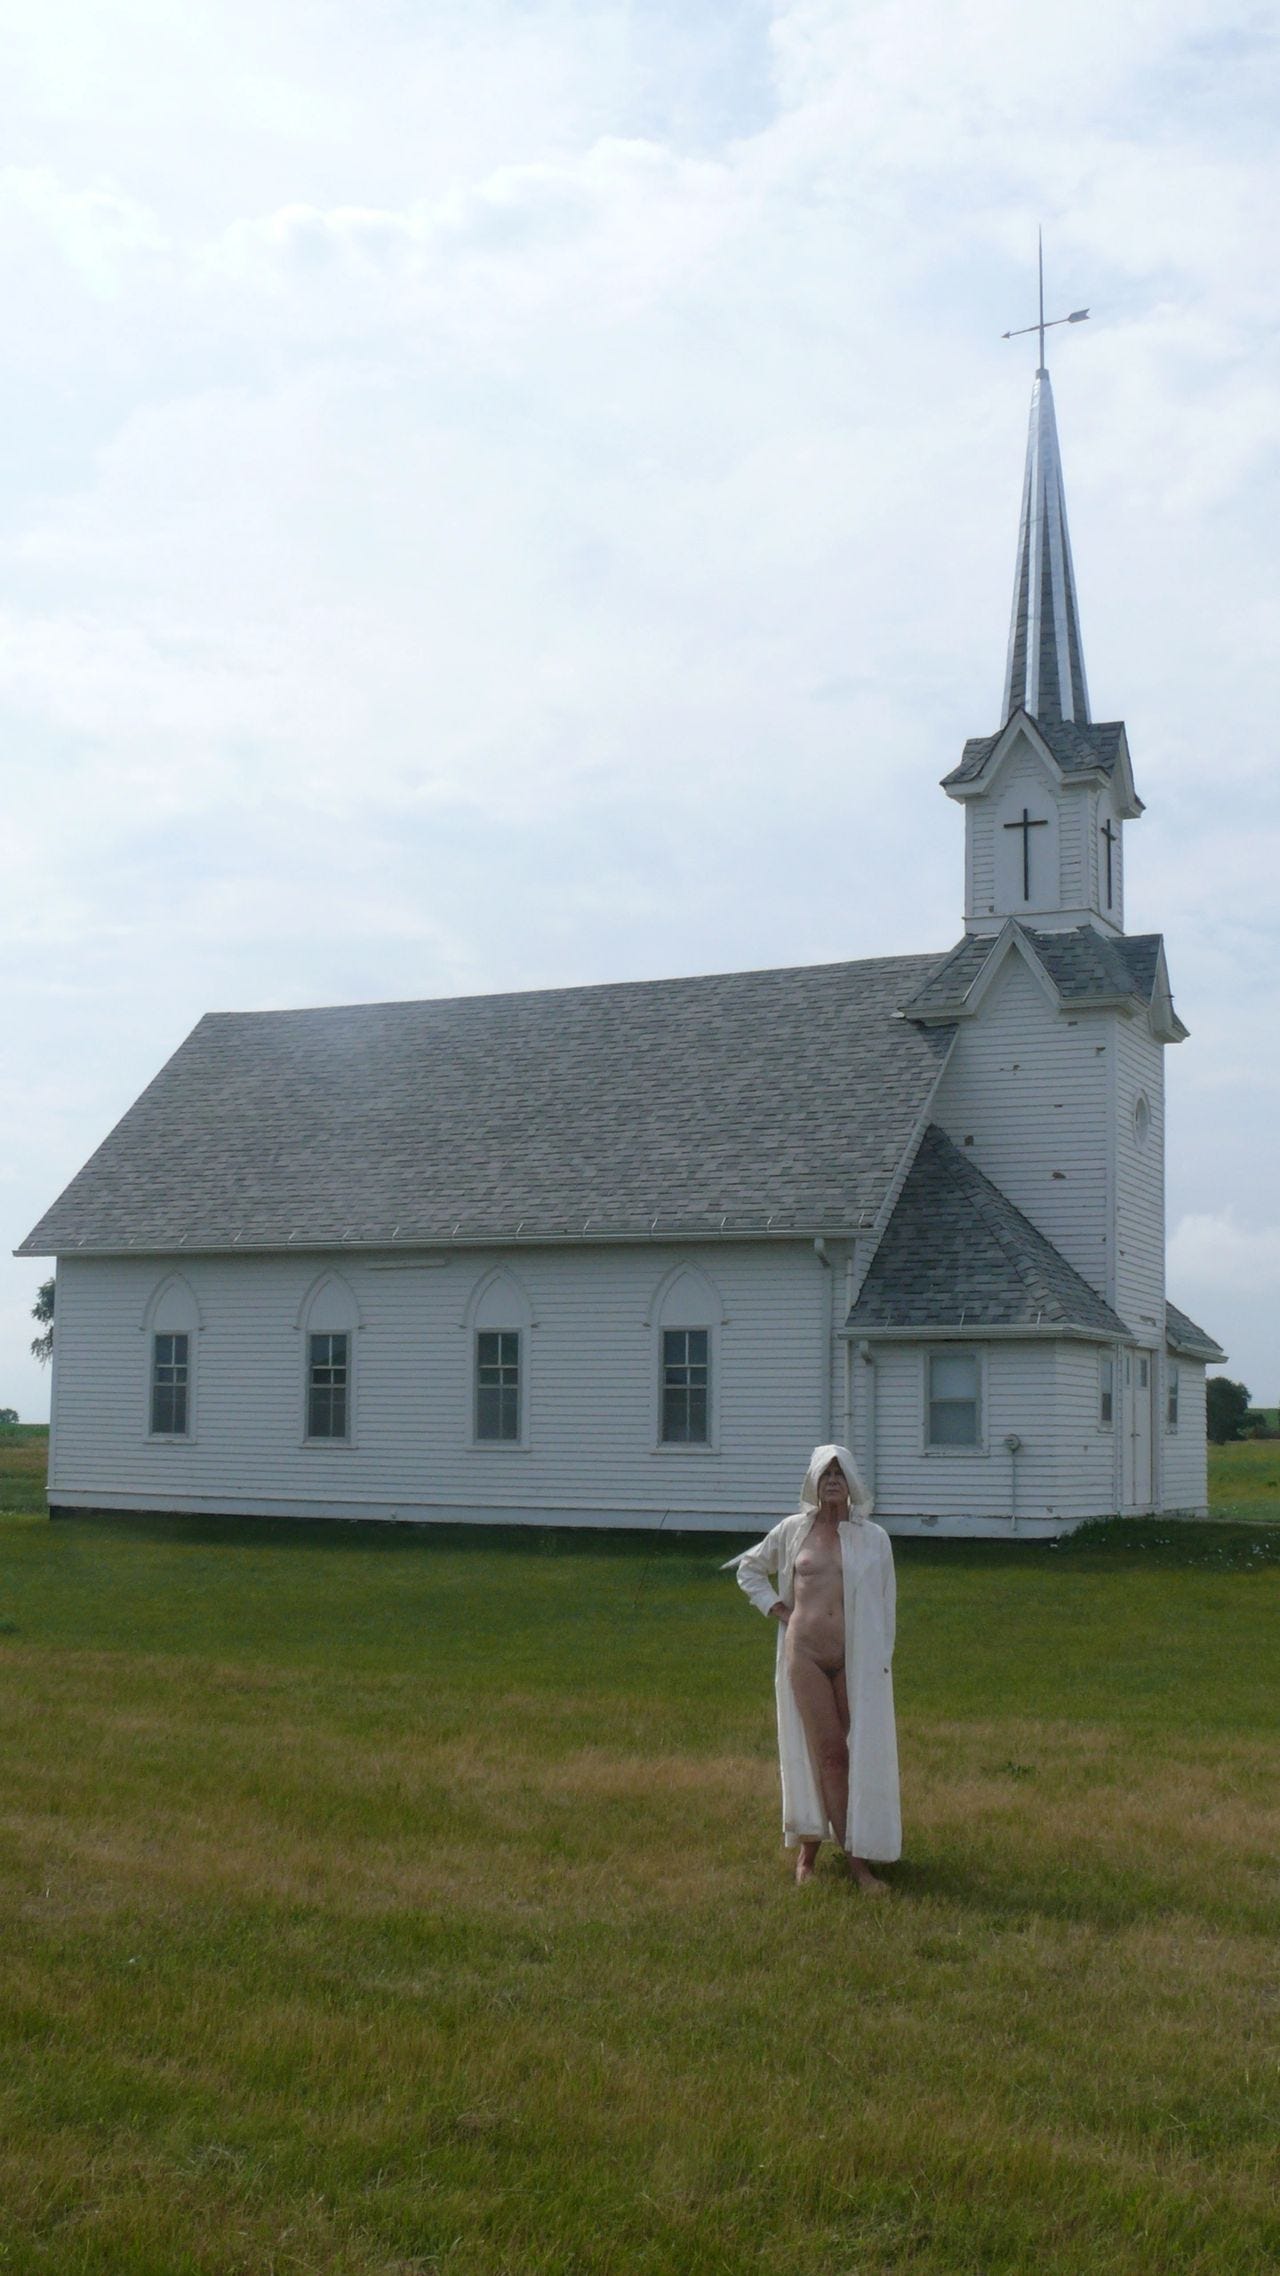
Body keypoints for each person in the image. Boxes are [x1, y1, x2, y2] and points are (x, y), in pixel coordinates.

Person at [730, 1443, 900, 1889]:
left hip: (854, 1660)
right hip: (805, 1655)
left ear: (852, 1483)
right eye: (825, 1475)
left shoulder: (873, 1539)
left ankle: (857, 1847)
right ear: (813, 1482)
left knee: (854, 1756)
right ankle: (824, 1857)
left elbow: (886, 1605)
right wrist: (778, 1609)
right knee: (824, 1754)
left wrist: (881, 1662)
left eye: (839, 1475)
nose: (832, 1483)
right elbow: (749, 1569)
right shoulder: (792, 1532)